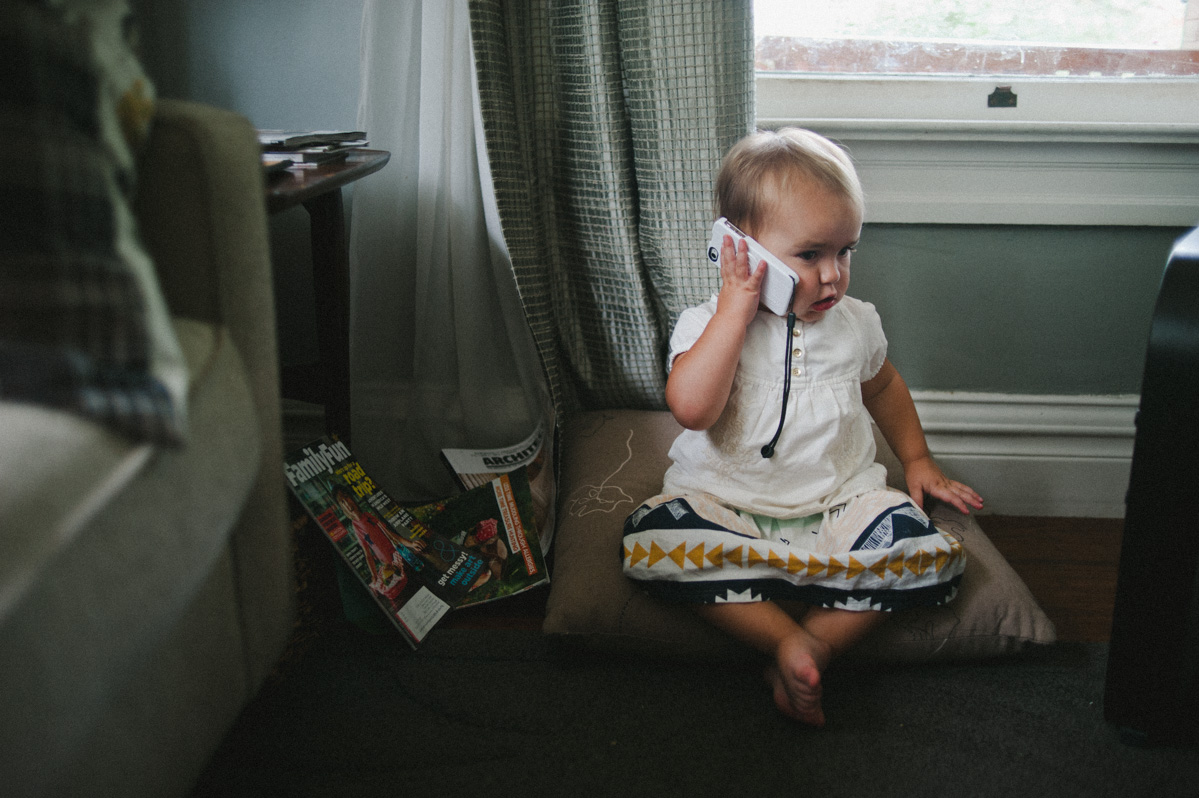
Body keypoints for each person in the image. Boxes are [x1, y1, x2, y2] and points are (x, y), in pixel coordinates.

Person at [621, 127, 983, 728]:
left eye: (846, 251)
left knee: (928, 550)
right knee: (651, 539)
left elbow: (884, 387)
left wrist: (916, 459)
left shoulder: (856, 324)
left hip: (839, 503)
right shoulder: (706, 324)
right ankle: (786, 642)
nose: (834, 275)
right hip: (724, 505)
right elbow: (692, 410)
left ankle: (812, 644)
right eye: (810, 255)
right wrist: (736, 310)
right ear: (743, 249)